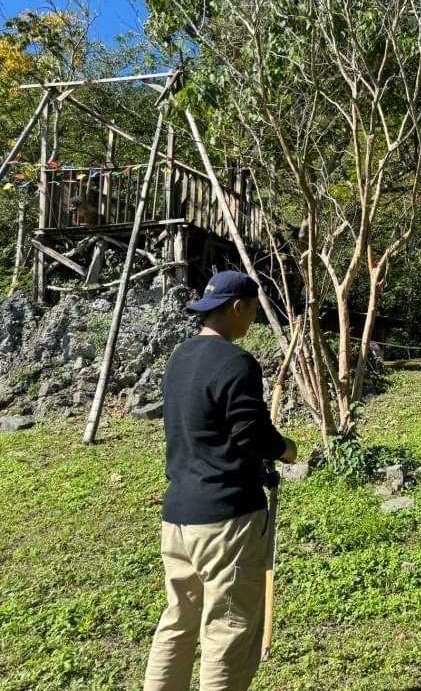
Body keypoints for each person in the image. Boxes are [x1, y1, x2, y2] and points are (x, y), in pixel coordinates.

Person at [144, 270, 298, 691]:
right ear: (237, 308)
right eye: (251, 311)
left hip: (178, 516)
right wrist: (286, 448)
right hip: (225, 520)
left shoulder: (180, 357)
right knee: (227, 629)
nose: (252, 321)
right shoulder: (236, 362)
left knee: (178, 620)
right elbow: (251, 433)